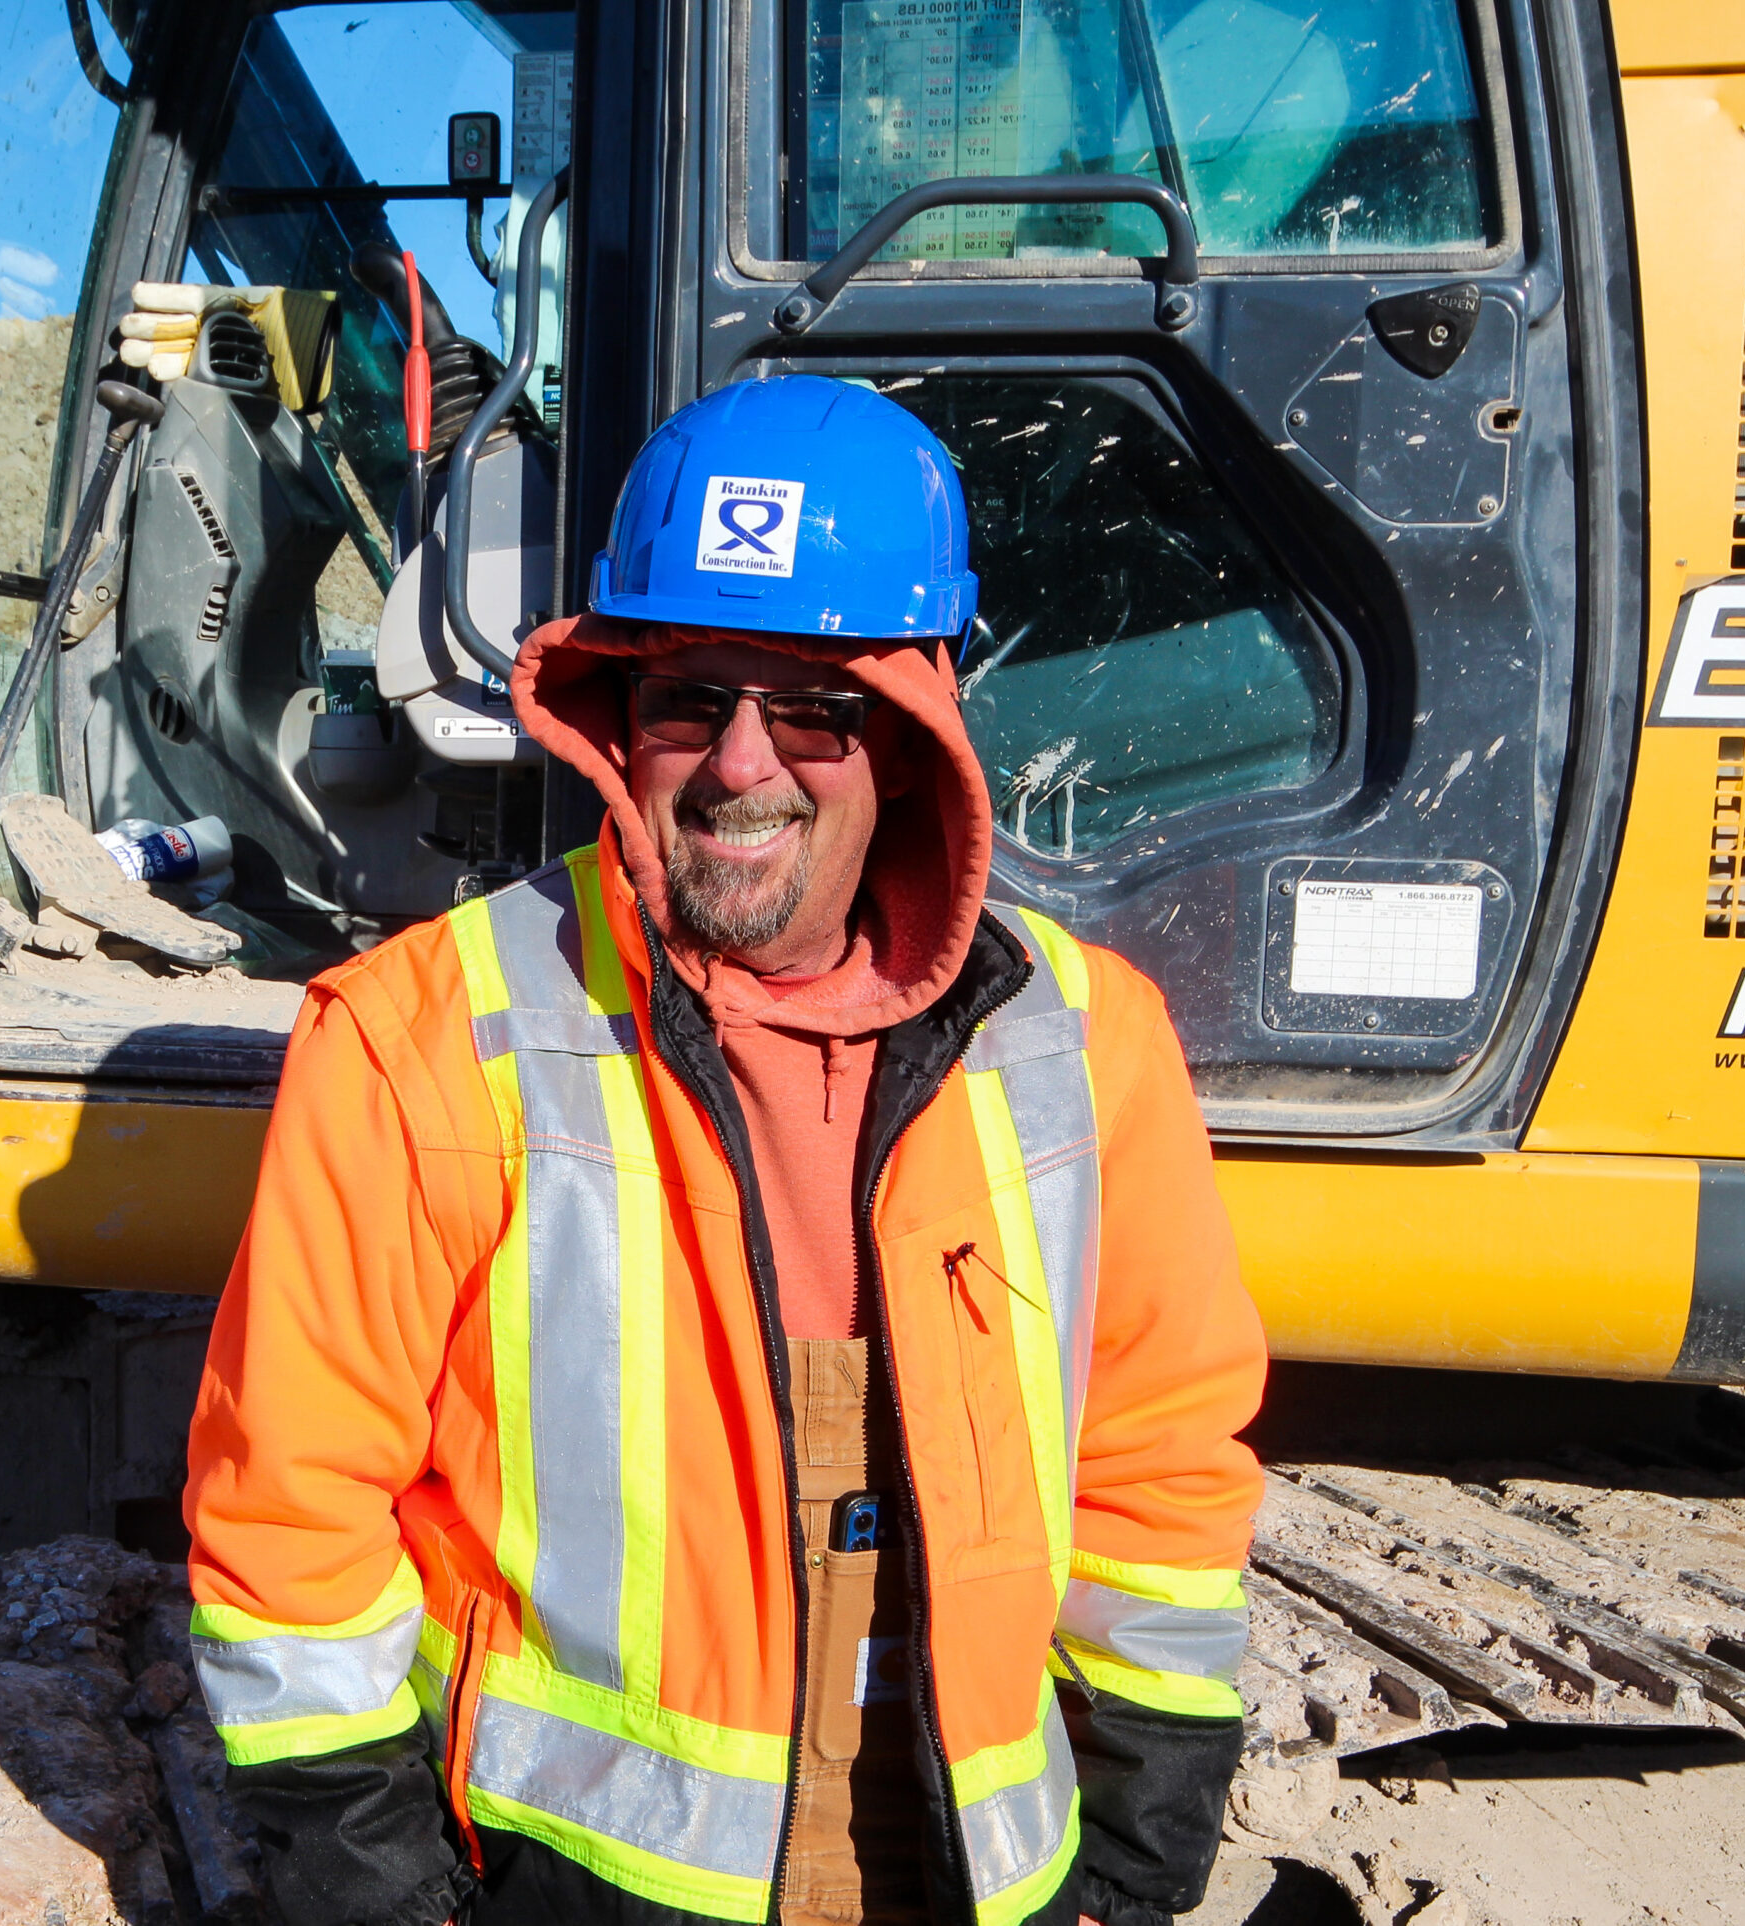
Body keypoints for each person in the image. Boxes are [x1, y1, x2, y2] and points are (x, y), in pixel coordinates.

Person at [182, 374, 1268, 1926]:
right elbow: (288, 1513)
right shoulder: (425, 1032)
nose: (744, 763)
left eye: (818, 706)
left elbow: (1157, 1467)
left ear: (914, 726)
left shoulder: (1089, 1043)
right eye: (693, 695)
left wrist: (1137, 1868)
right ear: (620, 713)